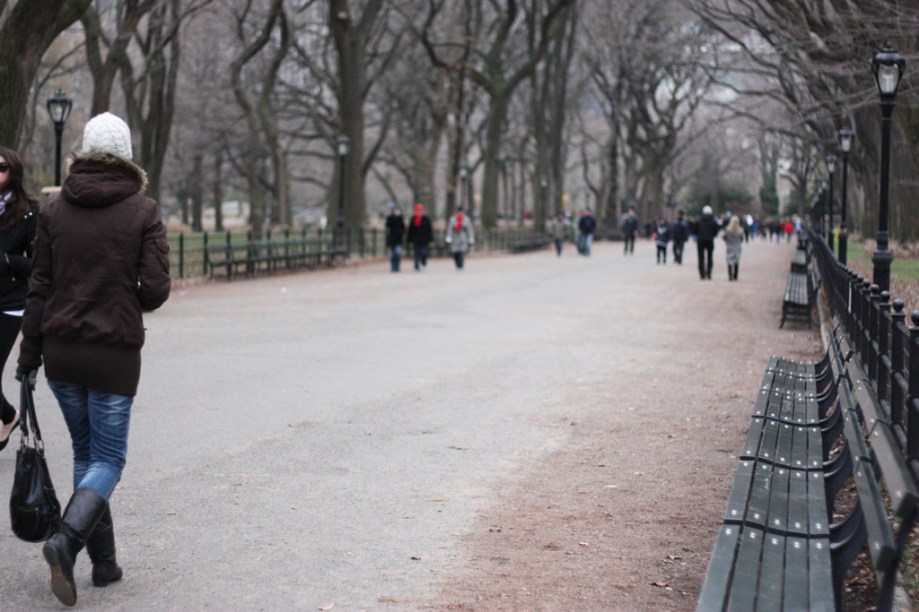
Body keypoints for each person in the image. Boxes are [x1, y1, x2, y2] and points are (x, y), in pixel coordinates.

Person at [16, 112, 171, 607]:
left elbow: (38, 286)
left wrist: (29, 355)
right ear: (126, 156)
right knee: (108, 459)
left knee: (87, 456)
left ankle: (104, 565)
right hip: (113, 354)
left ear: (81, 152)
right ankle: (65, 540)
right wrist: (130, 297)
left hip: (61, 351)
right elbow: (157, 290)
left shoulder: (54, 211)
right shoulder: (143, 211)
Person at [0, 148, 38, 452]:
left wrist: (7, 261)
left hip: (10, 302)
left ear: (13, 172)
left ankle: (9, 416)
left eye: (0, 167)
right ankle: (10, 416)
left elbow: (37, 263)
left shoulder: (29, 211)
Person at [694, 205, 720, 280]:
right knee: (710, 257)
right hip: (709, 240)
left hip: (700, 240)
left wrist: (699, 235)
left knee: (701, 258)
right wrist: (712, 235)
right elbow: (716, 230)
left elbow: (695, 230)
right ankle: (709, 273)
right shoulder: (712, 220)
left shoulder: (699, 220)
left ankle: (702, 274)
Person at [445, 205, 474, 270]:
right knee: (455, 253)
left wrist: (470, 238)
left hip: (463, 238)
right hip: (454, 238)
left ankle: (461, 266)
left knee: (462, 252)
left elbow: (469, 229)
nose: (460, 213)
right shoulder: (452, 219)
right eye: (458, 212)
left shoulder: (466, 219)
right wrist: (449, 237)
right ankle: (457, 265)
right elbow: (450, 229)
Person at [406, 203, 433, 271]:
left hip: (424, 239)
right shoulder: (413, 219)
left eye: (420, 210)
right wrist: (409, 239)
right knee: (416, 253)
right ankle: (416, 266)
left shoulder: (426, 219)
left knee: (423, 252)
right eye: (417, 211)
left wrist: (430, 238)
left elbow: (429, 229)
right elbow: (410, 230)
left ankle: (424, 263)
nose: (418, 212)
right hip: (416, 239)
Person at [384, 203, 405, 272]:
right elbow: (388, 225)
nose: (392, 211)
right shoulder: (389, 217)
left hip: (398, 239)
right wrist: (390, 217)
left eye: (393, 209)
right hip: (391, 239)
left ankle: (397, 266)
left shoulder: (399, 217)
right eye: (391, 210)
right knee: (392, 254)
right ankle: (393, 267)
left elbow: (402, 227)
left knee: (397, 253)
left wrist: (397, 216)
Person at [723, 215, 744, 281]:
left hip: (730, 246)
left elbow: (724, 237)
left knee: (729, 261)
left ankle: (730, 276)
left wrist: (727, 242)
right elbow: (741, 239)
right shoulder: (740, 230)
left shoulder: (728, 229)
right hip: (737, 246)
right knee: (736, 261)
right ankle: (735, 276)